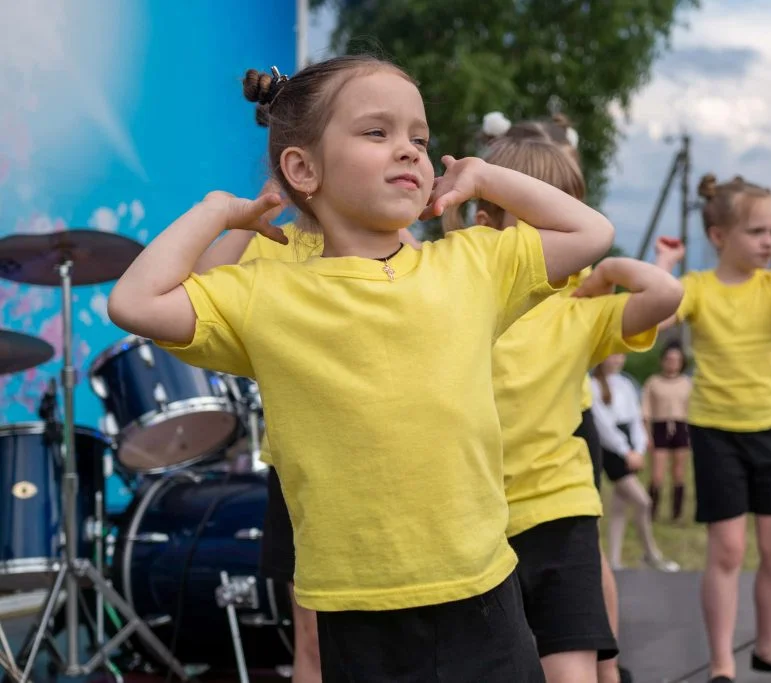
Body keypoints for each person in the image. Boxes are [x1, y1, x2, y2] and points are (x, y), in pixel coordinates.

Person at [108, 55, 615, 682]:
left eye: (420, 139)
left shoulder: (473, 265)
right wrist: (218, 211)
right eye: (377, 132)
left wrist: (485, 176)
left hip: (482, 591)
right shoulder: (266, 294)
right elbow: (134, 303)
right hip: (356, 609)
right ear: (303, 169)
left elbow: (590, 231)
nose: (408, 150)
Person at [445, 122, 682, 682]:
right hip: (477, 521)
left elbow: (666, 293)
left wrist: (609, 270)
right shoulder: (458, 291)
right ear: (488, 222)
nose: (563, 233)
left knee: (572, 668)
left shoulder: (578, 311)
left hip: (558, 509)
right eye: (542, 218)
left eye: (568, 214)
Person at [194, 180, 423, 683]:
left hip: (398, 470)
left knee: (411, 639)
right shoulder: (272, 242)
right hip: (306, 475)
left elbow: (425, 291)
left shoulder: (386, 237)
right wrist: (240, 220)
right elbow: (193, 290)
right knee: (314, 640)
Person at [656, 173, 771, 683]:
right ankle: (722, 665)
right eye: (757, 231)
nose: (769, 240)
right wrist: (665, 265)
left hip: (770, 430)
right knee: (728, 549)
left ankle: (770, 648)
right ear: (719, 236)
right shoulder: (698, 287)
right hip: (716, 433)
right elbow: (654, 317)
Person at [590, 355, 681, 573]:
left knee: (619, 506)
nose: (617, 360)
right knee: (643, 502)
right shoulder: (592, 385)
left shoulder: (625, 383)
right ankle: (651, 553)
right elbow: (603, 425)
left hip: (629, 445)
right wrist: (625, 451)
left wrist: (638, 449)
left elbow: (635, 418)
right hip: (612, 449)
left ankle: (614, 561)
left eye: (621, 355)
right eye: (612, 355)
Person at [642, 340, 693, 522]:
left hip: (681, 427)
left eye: (676, 360)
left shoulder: (687, 383)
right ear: (663, 360)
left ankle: (676, 513)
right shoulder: (653, 382)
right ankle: (651, 511)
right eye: (669, 359)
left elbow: (692, 410)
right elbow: (645, 412)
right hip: (660, 427)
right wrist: (647, 435)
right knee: (657, 474)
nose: (672, 363)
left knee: (679, 473)